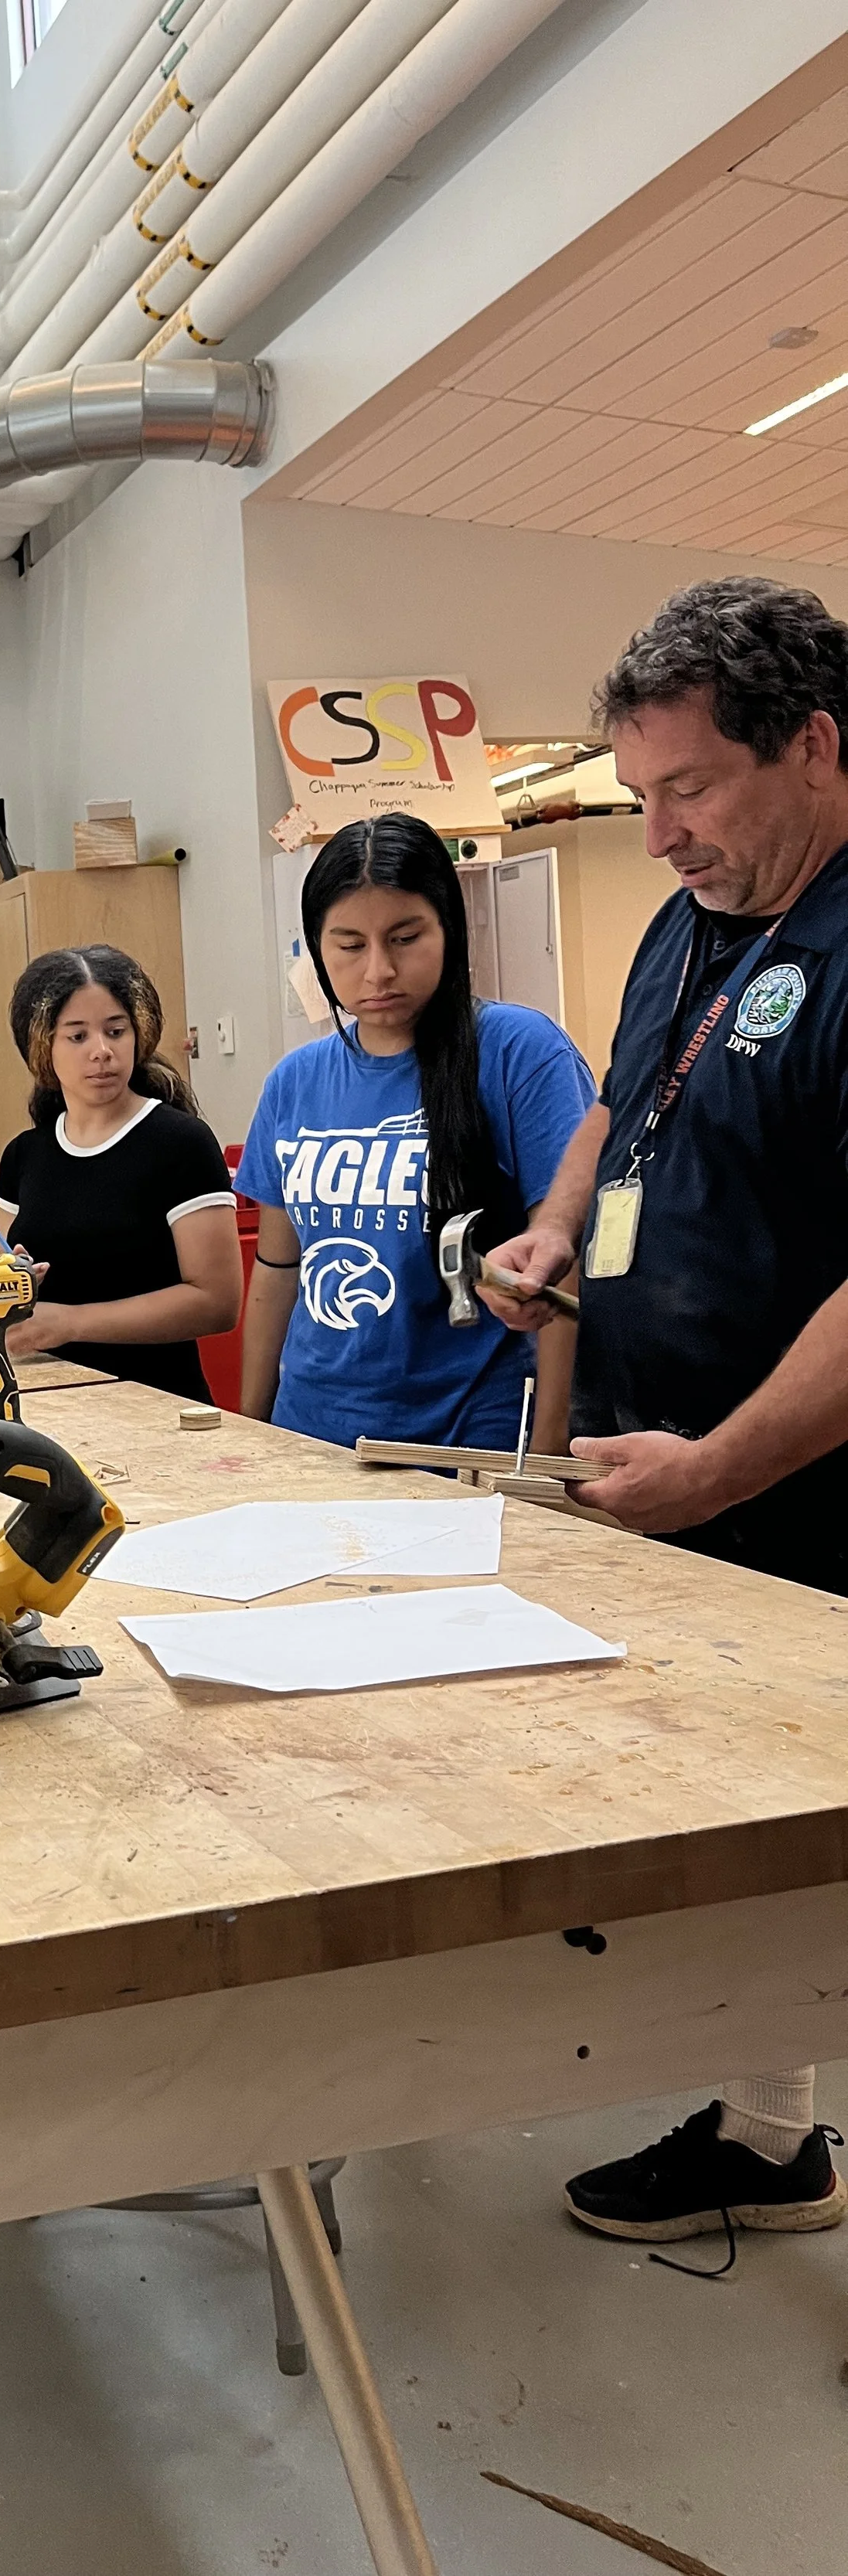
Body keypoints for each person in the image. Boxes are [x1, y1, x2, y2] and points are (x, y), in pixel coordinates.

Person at [482, 576, 848, 2253]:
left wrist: (719, 1464)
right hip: (666, 1460)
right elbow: (627, 1111)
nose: (657, 835)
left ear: (812, 747)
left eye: (685, 789)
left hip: (795, 1480)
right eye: (638, 800)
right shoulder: (692, 921)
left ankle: (775, 2126)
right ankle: (768, 2125)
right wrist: (559, 1231)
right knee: (745, 1843)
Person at [239, 812, 594, 1448]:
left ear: (448, 931)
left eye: (405, 937)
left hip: (468, 1439)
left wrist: (547, 1453)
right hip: (312, 1434)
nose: (378, 970)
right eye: (349, 945)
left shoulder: (521, 1052)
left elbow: (565, 1265)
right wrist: (249, 1430)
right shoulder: (295, 1081)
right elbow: (276, 1268)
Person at [0, 946, 242, 1399]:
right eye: (78, 1036)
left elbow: (217, 1303)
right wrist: (14, 1284)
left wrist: (69, 1323)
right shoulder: (22, 1157)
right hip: (51, 1401)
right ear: (41, 1047)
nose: (102, 1051)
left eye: (115, 1031)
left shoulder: (180, 1144)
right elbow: (13, 1296)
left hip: (159, 1406)